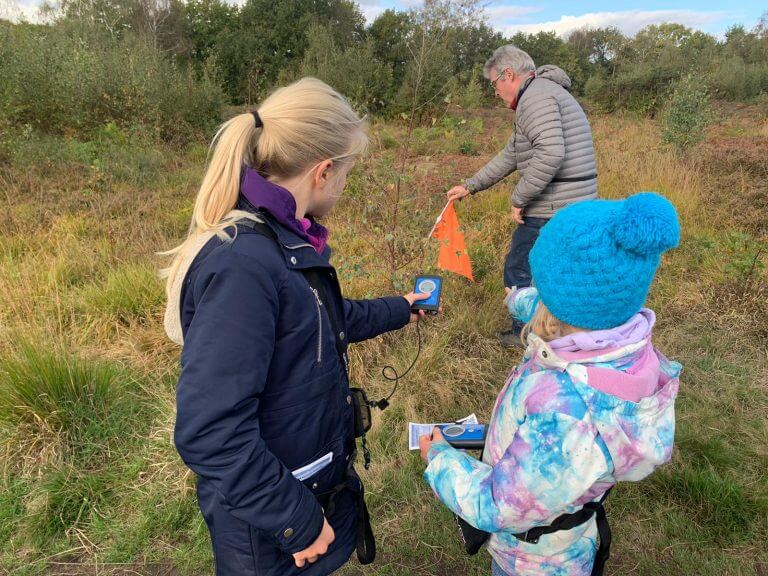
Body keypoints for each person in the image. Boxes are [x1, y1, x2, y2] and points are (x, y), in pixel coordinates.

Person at [163, 77, 432, 576]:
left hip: (303, 492)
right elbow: (210, 430)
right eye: (347, 175)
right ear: (323, 172)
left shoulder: (284, 244)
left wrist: (401, 307)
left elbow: (322, 320)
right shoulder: (245, 264)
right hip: (269, 531)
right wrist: (297, 522)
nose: (345, 187)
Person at [419, 192, 682, 575]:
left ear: (562, 299)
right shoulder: (623, 338)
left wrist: (440, 459)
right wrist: (521, 301)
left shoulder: (566, 415)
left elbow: (499, 506)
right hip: (569, 540)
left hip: (533, 561)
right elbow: (565, 306)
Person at [446, 45, 598, 347]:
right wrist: (471, 185)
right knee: (560, 268)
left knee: (520, 268)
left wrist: (520, 198)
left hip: (555, 203)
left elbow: (551, 153)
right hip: (574, 200)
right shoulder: (541, 94)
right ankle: (564, 331)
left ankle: (525, 333)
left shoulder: (536, 98)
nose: (495, 92)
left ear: (509, 75)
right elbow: (511, 155)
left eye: (494, 84)